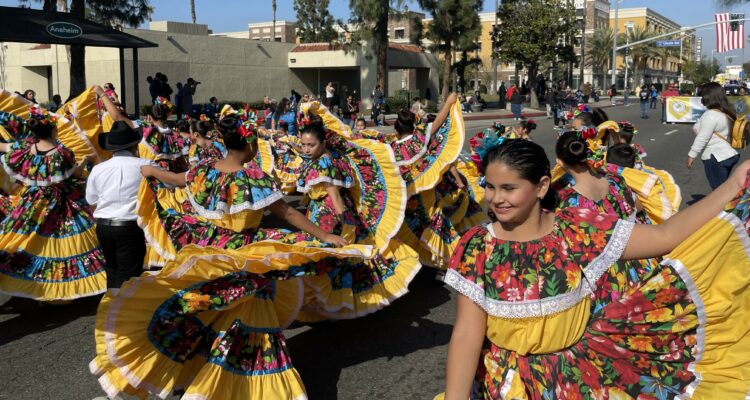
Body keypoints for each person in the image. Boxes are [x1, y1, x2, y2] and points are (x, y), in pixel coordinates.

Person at [440, 138, 750, 399]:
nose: (496, 199)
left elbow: (664, 236)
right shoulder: (477, 245)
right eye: (490, 187)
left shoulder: (576, 230)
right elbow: (468, 332)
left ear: (541, 186)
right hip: (506, 385)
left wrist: (733, 184)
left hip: (576, 378)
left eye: (509, 188)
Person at [0, 106, 105, 301]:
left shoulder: (23, 150)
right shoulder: (61, 153)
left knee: (33, 240)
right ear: (53, 130)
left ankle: (37, 284)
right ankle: (61, 292)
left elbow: (4, 148)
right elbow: (75, 173)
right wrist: (84, 161)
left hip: (33, 202)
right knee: (65, 242)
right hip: (62, 202)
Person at [86, 118, 151, 290]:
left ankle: (110, 309)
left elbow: (91, 200)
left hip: (104, 225)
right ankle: (120, 312)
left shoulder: (98, 169)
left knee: (113, 269)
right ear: (134, 146)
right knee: (128, 274)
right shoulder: (145, 164)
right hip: (130, 225)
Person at [688, 82, 740, 189]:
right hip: (729, 154)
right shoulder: (727, 111)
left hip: (715, 157)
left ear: (708, 96)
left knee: (718, 193)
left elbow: (702, 137)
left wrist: (691, 155)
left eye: (703, 94)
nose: (702, 97)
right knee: (725, 189)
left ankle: (726, 206)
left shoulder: (711, 115)